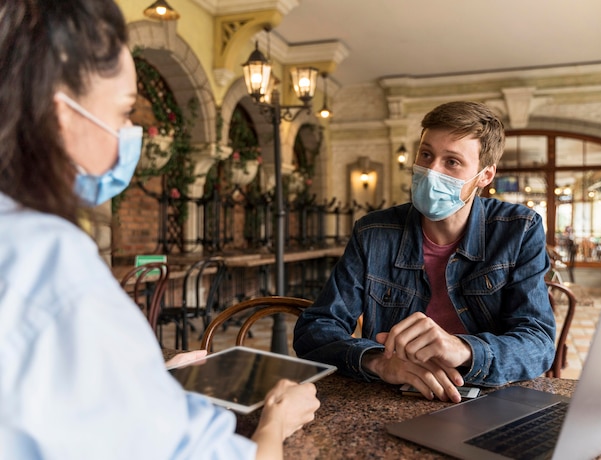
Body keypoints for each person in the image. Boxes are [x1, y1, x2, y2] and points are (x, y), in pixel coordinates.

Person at [0, 1, 319, 459]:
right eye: (125, 112)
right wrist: (275, 422)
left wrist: (143, 379)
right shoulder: (51, 264)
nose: (130, 133)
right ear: (62, 114)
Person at [294, 101, 556, 403]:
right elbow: (315, 329)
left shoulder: (518, 229)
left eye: (452, 162)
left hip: (488, 398)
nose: (431, 171)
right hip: (392, 397)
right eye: (427, 154)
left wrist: (465, 349)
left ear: (484, 176)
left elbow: (538, 344)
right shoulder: (374, 232)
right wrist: (378, 362)